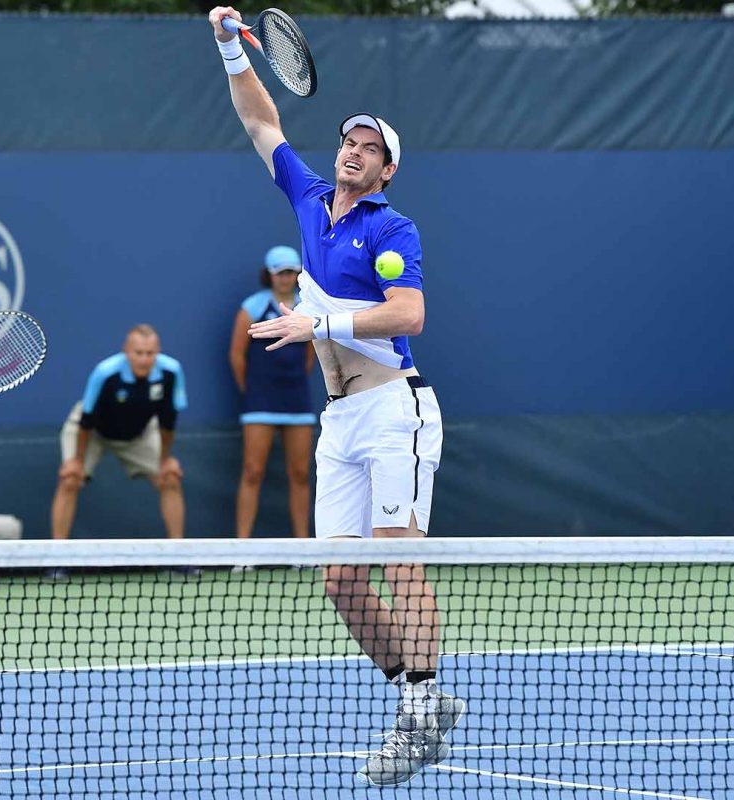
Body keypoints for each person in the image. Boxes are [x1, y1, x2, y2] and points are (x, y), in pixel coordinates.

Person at [209, 8, 461, 787]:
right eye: (349, 141)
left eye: (370, 149)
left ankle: (416, 715)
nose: (354, 152)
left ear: (388, 172)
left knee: (398, 561)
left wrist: (320, 319)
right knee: (341, 580)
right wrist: (226, 46)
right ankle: (422, 701)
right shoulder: (310, 199)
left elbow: (409, 315)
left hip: (396, 410)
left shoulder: (395, 229)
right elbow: (260, 118)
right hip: (340, 419)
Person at [50, 324, 189, 557]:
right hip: (91, 432)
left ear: (158, 351)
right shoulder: (106, 373)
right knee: (70, 479)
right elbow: (87, 420)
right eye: (138, 353)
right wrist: (76, 461)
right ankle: (57, 558)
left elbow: (168, 422)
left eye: (150, 353)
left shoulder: (171, 372)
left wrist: (165, 460)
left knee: (170, 478)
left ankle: (178, 555)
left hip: (139, 433)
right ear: (126, 350)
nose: (144, 359)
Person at [229, 245, 315, 555]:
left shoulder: (308, 308)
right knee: (252, 471)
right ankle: (243, 551)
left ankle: (304, 550)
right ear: (269, 275)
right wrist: (253, 389)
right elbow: (237, 356)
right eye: (281, 273)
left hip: (297, 401)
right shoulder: (251, 308)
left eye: (292, 272)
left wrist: (293, 381)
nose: (286, 278)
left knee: (300, 474)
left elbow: (310, 355)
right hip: (260, 402)